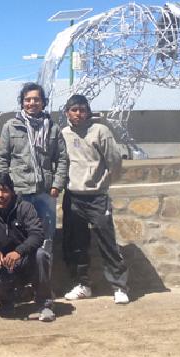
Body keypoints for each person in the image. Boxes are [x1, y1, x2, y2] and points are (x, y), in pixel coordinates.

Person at [53, 94, 131, 304]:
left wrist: (103, 184)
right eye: (74, 110)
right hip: (73, 197)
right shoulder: (64, 134)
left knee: (107, 241)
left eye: (82, 109)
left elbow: (114, 161)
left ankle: (119, 286)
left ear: (88, 111)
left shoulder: (100, 131)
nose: (78, 114)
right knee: (76, 243)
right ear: (66, 112)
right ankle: (82, 284)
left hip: (97, 197)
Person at [0, 83, 64, 252]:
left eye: (36, 99)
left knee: (46, 237)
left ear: (43, 102)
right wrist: (5, 189)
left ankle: (44, 277)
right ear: (22, 102)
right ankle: (24, 276)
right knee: (19, 235)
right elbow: (2, 159)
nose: (32, 103)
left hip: (45, 192)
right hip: (19, 192)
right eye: (28, 99)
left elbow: (62, 158)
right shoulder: (11, 126)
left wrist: (57, 184)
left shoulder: (53, 128)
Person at [0, 173, 55, 321]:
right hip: (4, 265)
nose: (0, 195)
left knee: (42, 255)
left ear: (12, 191)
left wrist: (19, 252)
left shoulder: (25, 208)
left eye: (5, 190)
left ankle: (45, 304)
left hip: (26, 259)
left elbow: (37, 235)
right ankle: (7, 302)